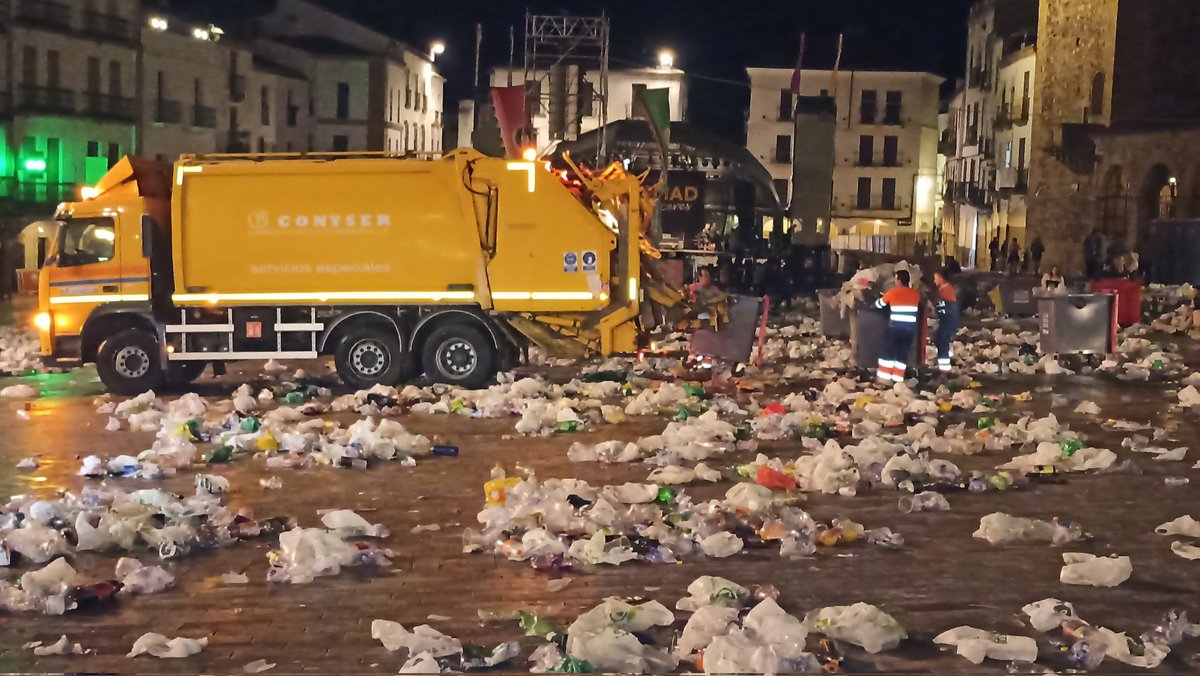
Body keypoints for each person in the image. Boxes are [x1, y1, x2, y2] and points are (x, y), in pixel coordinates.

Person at [874, 269, 921, 383]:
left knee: (888, 353)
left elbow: (878, 305)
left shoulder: (892, 293)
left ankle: (884, 379)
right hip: (909, 331)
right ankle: (897, 380)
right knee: (902, 355)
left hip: (895, 329)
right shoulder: (916, 294)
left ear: (899, 281)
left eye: (895, 279)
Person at [931, 268, 961, 375]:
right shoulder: (946, 288)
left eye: (935, 278)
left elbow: (940, 303)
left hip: (948, 320)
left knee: (942, 341)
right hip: (947, 320)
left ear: (941, 278)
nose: (934, 280)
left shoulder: (945, 289)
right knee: (938, 338)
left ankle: (944, 368)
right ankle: (945, 359)